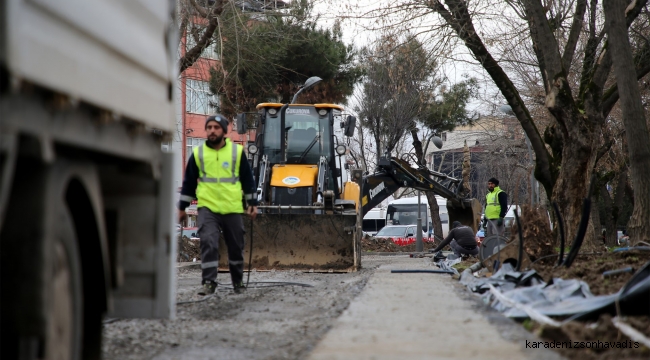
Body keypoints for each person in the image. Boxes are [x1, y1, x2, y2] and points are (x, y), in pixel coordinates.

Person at [177, 114, 258, 295]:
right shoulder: (198, 154)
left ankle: (237, 282)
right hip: (208, 207)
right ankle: (209, 282)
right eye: (209, 128)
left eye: (216, 127)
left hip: (232, 208)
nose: (212, 131)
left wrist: (252, 203)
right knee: (208, 242)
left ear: (224, 131)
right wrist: (181, 207)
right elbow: (189, 183)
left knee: (236, 246)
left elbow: (247, 180)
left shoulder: (237, 152)